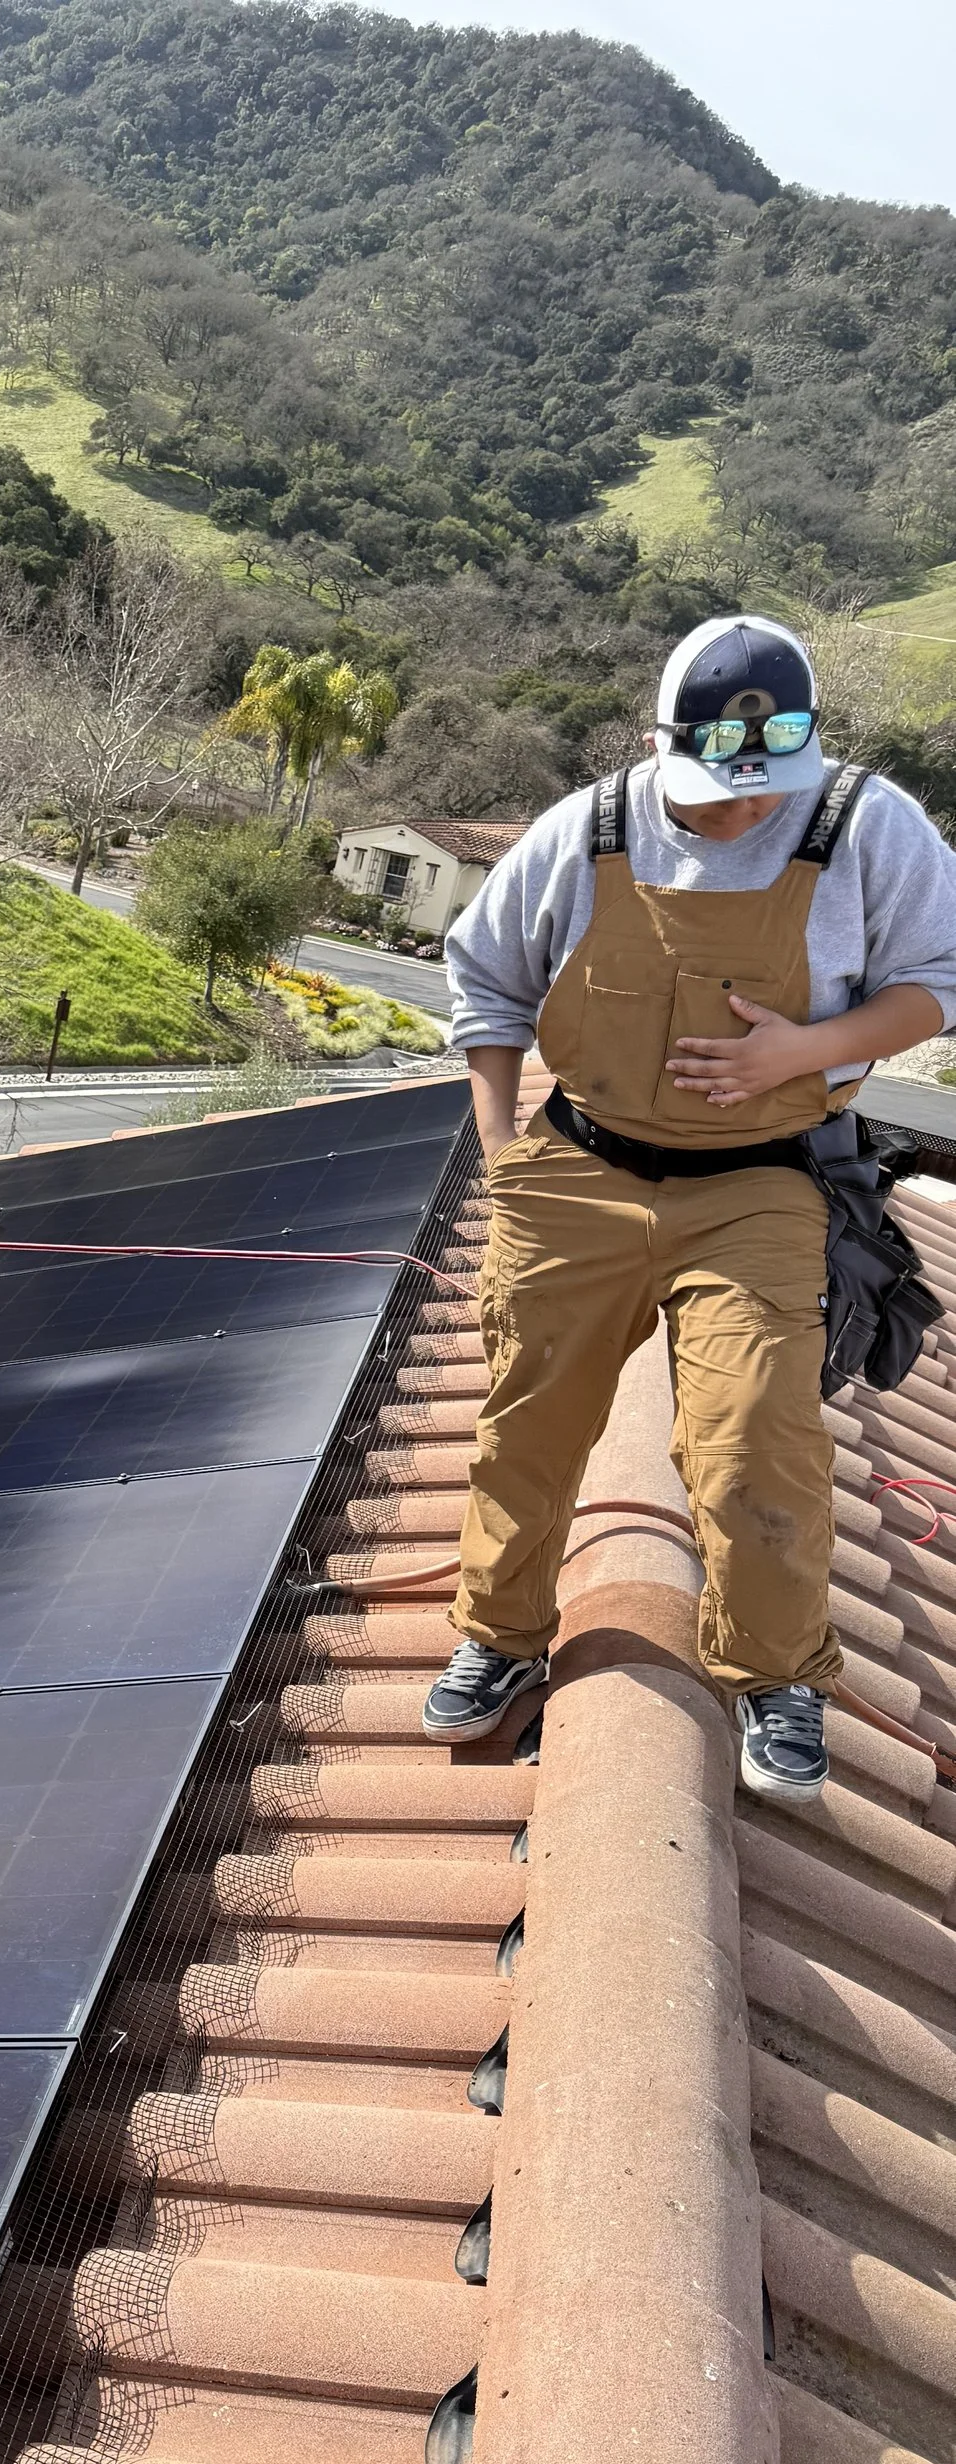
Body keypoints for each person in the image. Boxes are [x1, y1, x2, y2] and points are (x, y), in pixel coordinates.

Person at [430, 613, 956, 1796]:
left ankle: (775, 1671)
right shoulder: (589, 829)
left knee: (757, 1428)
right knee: (531, 1417)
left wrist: (806, 1051)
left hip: (760, 1180)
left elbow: (936, 982)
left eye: (765, 792)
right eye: (720, 793)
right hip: (578, 1170)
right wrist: (502, 1149)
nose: (745, 814)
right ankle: (500, 1636)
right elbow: (485, 982)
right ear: (665, 747)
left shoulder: (867, 825)